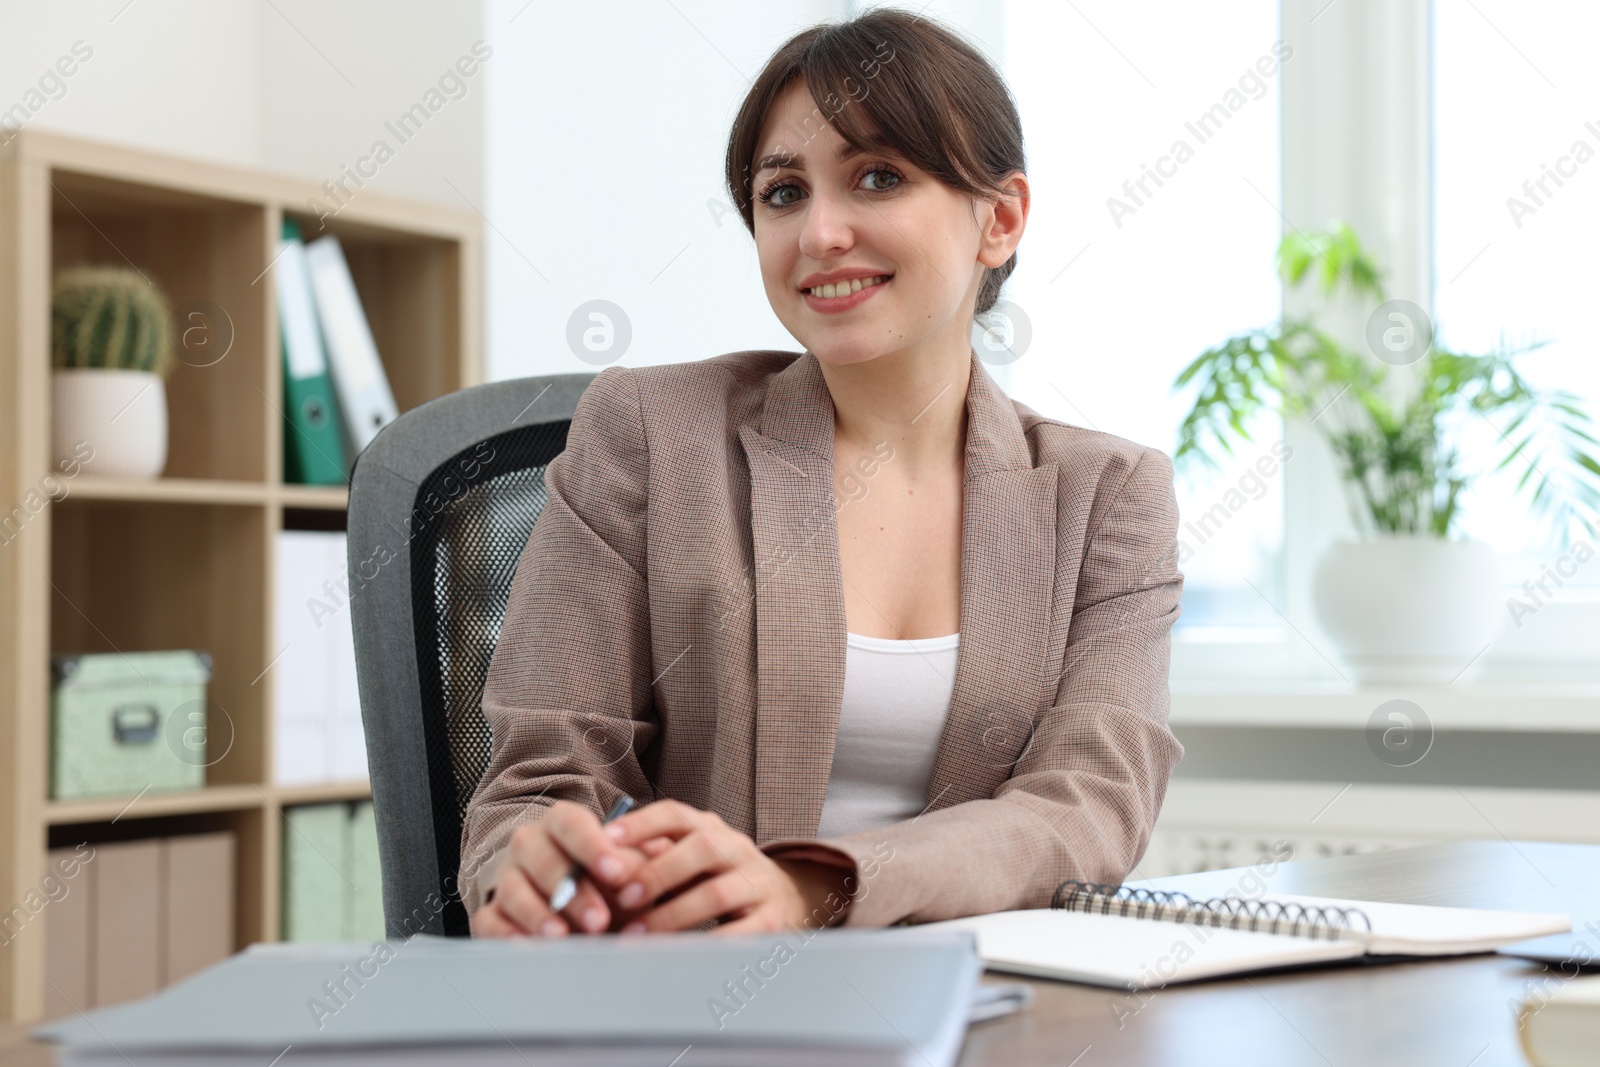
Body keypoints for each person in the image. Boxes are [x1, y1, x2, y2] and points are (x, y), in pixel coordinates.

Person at [464, 7, 1184, 940]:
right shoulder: (647, 433)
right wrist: (534, 865)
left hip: (987, 1001)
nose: (821, 233)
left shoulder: (1107, 496)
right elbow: (539, 777)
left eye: (878, 177)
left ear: (999, 220)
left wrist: (815, 886)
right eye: (784, 192)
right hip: (693, 999)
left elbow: (1086, 803)